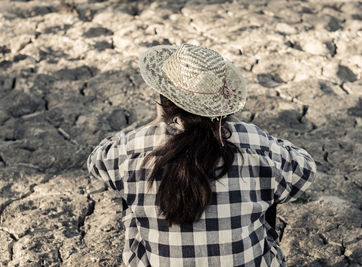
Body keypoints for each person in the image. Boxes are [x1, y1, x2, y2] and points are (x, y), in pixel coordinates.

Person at [87, 43, 316, 267]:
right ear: (223, 104)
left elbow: (97, 161)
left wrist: (154, 124)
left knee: (130, 196)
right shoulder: (254, 142)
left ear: (165, 102)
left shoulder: (134, 147)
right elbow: (305, 169)